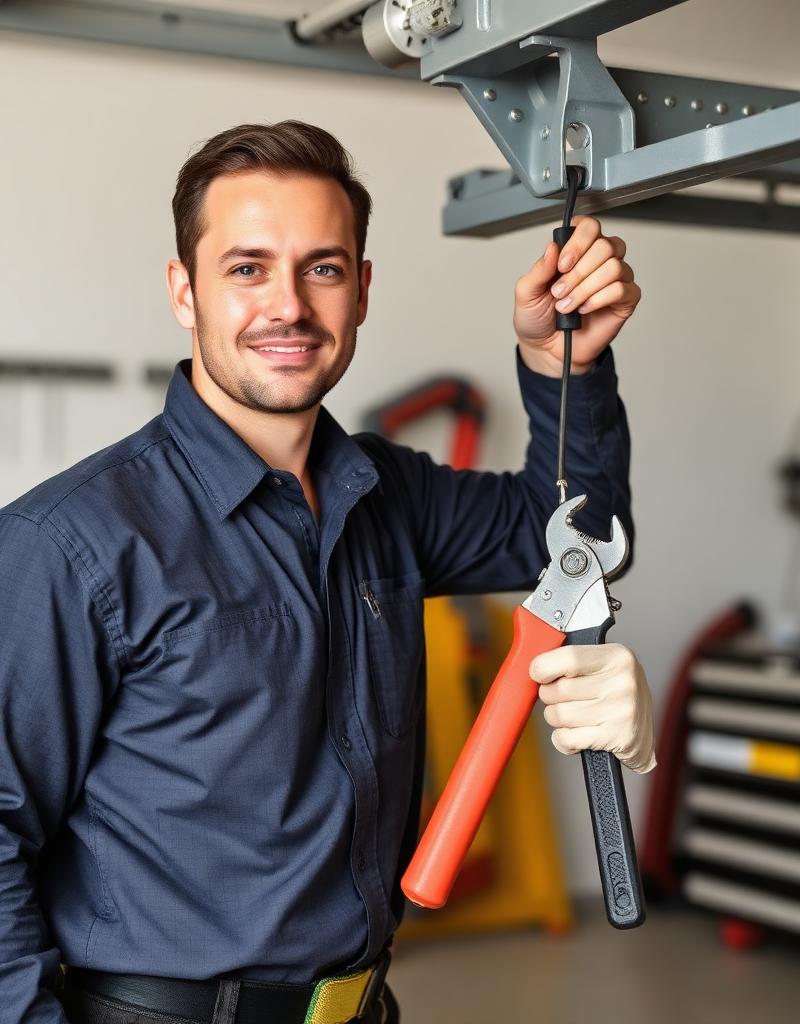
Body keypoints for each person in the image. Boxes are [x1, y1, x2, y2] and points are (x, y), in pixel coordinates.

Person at [0, 121, 654, 1024]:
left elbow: (576, 534)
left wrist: (561, 364)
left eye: (323, 268)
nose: (289, 307)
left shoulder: (391, 495)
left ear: (362, 290)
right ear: (184, 290)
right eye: (247, 268)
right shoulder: (68, 543)